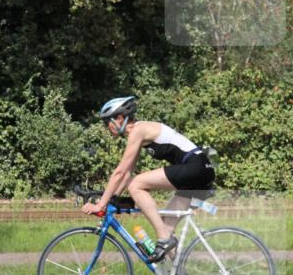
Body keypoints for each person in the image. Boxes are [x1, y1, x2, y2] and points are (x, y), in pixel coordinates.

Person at [81, 96, 215, 265]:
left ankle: (163, 238)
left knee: (137, 185)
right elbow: (127, 171)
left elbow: (120, 172)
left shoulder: (139, 129)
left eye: (106, 122)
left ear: (120, 118)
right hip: (200, 170)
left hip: (195, 166)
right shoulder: (139, 133)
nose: (105, 127)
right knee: (166, 226)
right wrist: (112, 198)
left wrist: (101, 204)